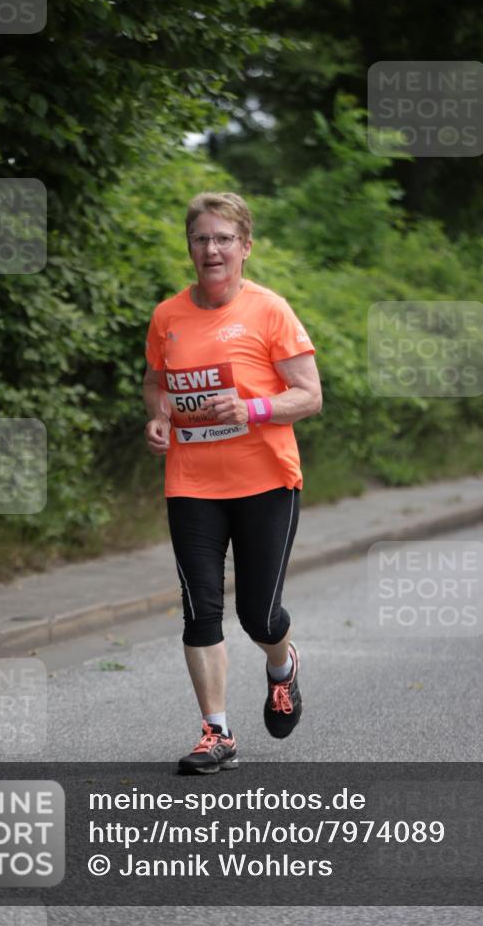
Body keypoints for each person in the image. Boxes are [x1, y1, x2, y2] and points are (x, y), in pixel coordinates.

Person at [143, 191, 322, 774]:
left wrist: (255, 411)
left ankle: (281, 665)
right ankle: (215, 733)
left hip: (266, 482)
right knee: (200, 609)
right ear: (189, 246)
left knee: (259, 616)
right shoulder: (168, 316)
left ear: (245, 247)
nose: (212, 249)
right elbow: (156, 382)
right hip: (192, 484)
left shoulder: (269, 310)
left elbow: (309, 395)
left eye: (224, 239)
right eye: (201, 238)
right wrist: (160, 416)